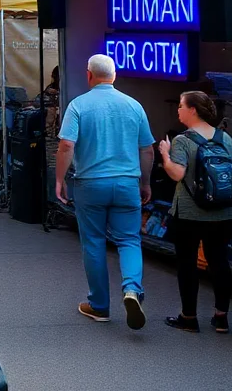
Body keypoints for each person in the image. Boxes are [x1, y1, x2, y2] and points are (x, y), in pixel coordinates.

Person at [55, 54, 155, 329]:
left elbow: (66, 145)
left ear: (88, 75)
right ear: (115, 75)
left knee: (94, 243)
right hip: (126, 184)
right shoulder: (134, 106)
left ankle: (99, 306)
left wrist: (59, 179)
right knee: (130, 240)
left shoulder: (78, 106)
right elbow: (147, 149)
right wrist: (145, 182)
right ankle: (132, 289)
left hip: (91, 184)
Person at [157, 91, 232, 332]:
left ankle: (189, 317)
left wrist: (165, 153)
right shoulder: (225, 138)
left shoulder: (183, 140)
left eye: (181, 105)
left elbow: (177, 174)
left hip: (190, 213)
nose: (178, 110)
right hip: (223, 211)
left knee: (187, 263)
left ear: (193, 110)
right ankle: (221, 317)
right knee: (219, 261)